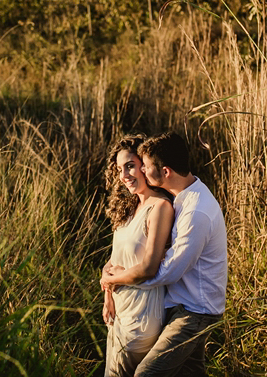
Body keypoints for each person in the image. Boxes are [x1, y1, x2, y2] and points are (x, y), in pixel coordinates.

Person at [101, 131, 227, 376]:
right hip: (179, 304)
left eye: (145, 167)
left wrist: (118, 279)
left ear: (165, 171)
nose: (143, 172)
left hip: (194, 311)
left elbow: (166, 270)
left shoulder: (195, 211)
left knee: (147, 374)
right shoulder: (182, 198)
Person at [102, 134, 175, 377]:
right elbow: (115, 259)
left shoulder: (160, 208)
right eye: (120, 169)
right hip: (118, 313)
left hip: (141, 316)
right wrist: (107, 296)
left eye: (130, 166)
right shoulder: (131, 207)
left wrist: (110, 281)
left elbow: (148, 268)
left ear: (145, 165)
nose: (124, 175)